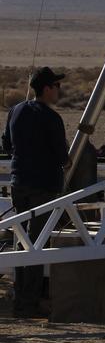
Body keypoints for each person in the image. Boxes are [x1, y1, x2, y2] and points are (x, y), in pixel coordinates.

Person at [1, 67, 69, 317]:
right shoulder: (51, 118)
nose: (59, 91)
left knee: (23, 242)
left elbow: (6, 144)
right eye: (57, 86)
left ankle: (23, 298)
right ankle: (28, 304)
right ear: (47, 88)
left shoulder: (15, 110)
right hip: (43, 187)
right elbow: (63, 157)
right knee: (37, 244)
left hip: (19, 184)